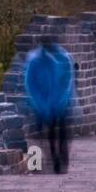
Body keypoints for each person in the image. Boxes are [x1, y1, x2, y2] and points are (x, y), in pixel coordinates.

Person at [23, 38, 75, 174]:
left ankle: (61, 158)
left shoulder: (63, 57)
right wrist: (43, 106)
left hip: (61, 104)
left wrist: (61, 102)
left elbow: (67, 83)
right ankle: (53, 159)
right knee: (50, 134)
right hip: (45, 105)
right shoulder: (35, 60)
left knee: (61, 133)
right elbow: (31, 84)